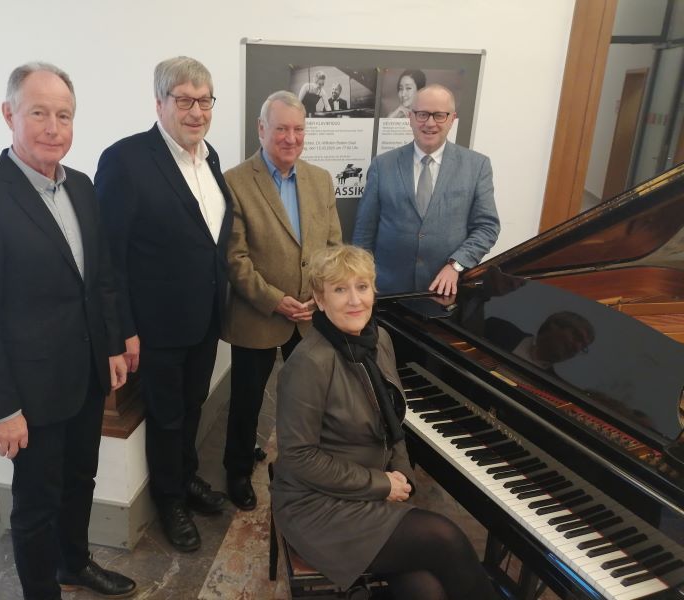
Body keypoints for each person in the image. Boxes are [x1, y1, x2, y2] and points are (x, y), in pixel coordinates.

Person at [0, 62, 136, 600]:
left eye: (64, 115)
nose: (54, 127)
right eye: (39, 113)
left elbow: (99, 279)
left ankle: (73, 564)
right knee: (35, 507)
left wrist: (113, 345)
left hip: (86, 376)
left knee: (81, 483)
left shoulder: (82, 187)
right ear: (9, 115)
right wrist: (1, 409)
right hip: (30, 395)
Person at [270, 245, 498, 600]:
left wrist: (402, 475)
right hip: (317, 504)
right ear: (320, 298)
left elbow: (393, 420)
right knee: (445, 539)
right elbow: (299, 458)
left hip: (369, 489)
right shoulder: (308, 364)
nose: (354, 300)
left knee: (426, 590)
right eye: (340, 289)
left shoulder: (380, 341)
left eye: (362, 287)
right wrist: (380, 484)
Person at [95, 57, 232, 553]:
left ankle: (187, 477)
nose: (196, 111)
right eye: (184, 100)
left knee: (192, 406)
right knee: (168, 415)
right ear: (160, 103)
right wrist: (123, 330)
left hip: (205, 317)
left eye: (204, 100)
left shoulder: (209, 157)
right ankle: (169, 499)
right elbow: (108, 257)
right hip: (155, 326)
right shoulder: (126, 161)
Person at [221, 90, 341, 511]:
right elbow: (235, 259)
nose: (290, 138)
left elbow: (332, 245)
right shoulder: (235, 181)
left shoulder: (320, 179)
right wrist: (276, 301)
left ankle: (304, 465)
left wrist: (319, 296)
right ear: (261, 129)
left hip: (310, 314)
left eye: (298, 129)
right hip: (258, 315)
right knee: (247, 401)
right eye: (281, 129)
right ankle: (236, 469)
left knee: (308, 397)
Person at [353, 84, 500, 296]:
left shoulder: (476, 166)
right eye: (422, 114)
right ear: (410, 118)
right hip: (386, 291)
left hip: (446, 292)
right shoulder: (382, 166)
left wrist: (456, 265)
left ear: (452, 119)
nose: (430, 123)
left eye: (439, 115)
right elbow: (364, 232)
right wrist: (361, 281)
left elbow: (487, 227)